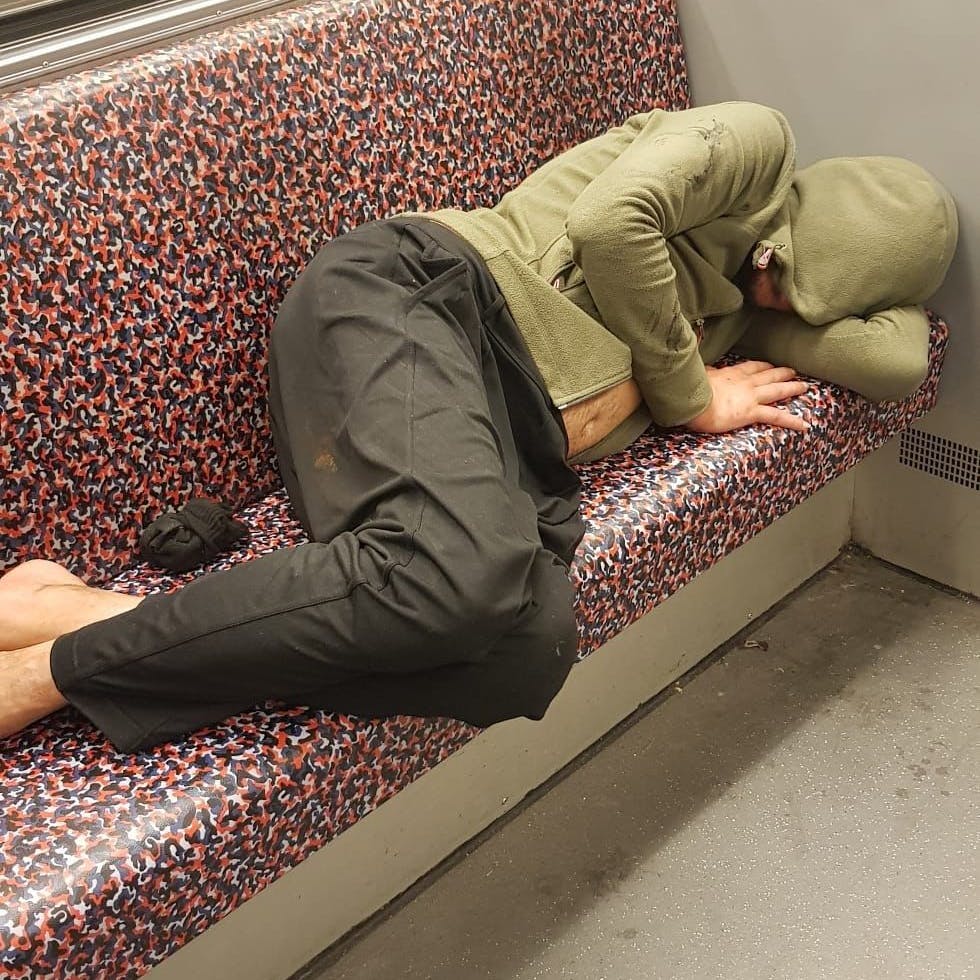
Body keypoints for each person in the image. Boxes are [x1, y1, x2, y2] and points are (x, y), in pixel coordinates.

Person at [0, 102, 957, 750]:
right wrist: (693, 395)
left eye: (795, 295)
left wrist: (804, 299)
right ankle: (52, 670)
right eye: (773, 264)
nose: (765, 285)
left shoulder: (745, 316)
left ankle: (90, 615)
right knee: (456, 580)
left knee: (526, 652)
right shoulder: (753, 145)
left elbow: (894, 361)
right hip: (415, 297)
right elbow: (611, 222)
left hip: (492, 448)